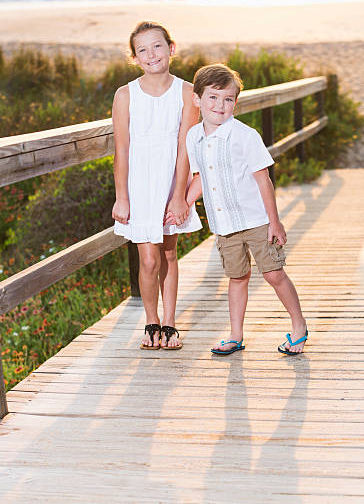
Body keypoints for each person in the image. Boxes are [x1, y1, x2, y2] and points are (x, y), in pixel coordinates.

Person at [172, 63, 307, 355]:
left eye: (228, 99)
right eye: (213, 97)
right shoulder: (193, 137)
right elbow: (200, 179)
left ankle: (299, 325)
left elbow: (264, 180)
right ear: (197, 99)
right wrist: (183, 202)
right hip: (224, 224)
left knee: (273, 273)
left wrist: (275, 222)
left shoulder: (245, 136)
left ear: (236, 101)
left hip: (256, 219)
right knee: (237, 277)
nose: (220, 105)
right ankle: (235, 335)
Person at [112, 21, 202, 350]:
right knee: (148, 260)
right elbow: (121, 150)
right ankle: (150, 321)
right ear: (135, 57)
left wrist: (179, 197)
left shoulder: (185, 92)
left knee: (168, 252)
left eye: (158, 46)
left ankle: (170, 323)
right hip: (139, 186)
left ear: (171, 48)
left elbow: (185, 150)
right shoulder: (125, 95)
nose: (152, 54)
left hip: (171, 182)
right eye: (143, 50)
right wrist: (122, 198)